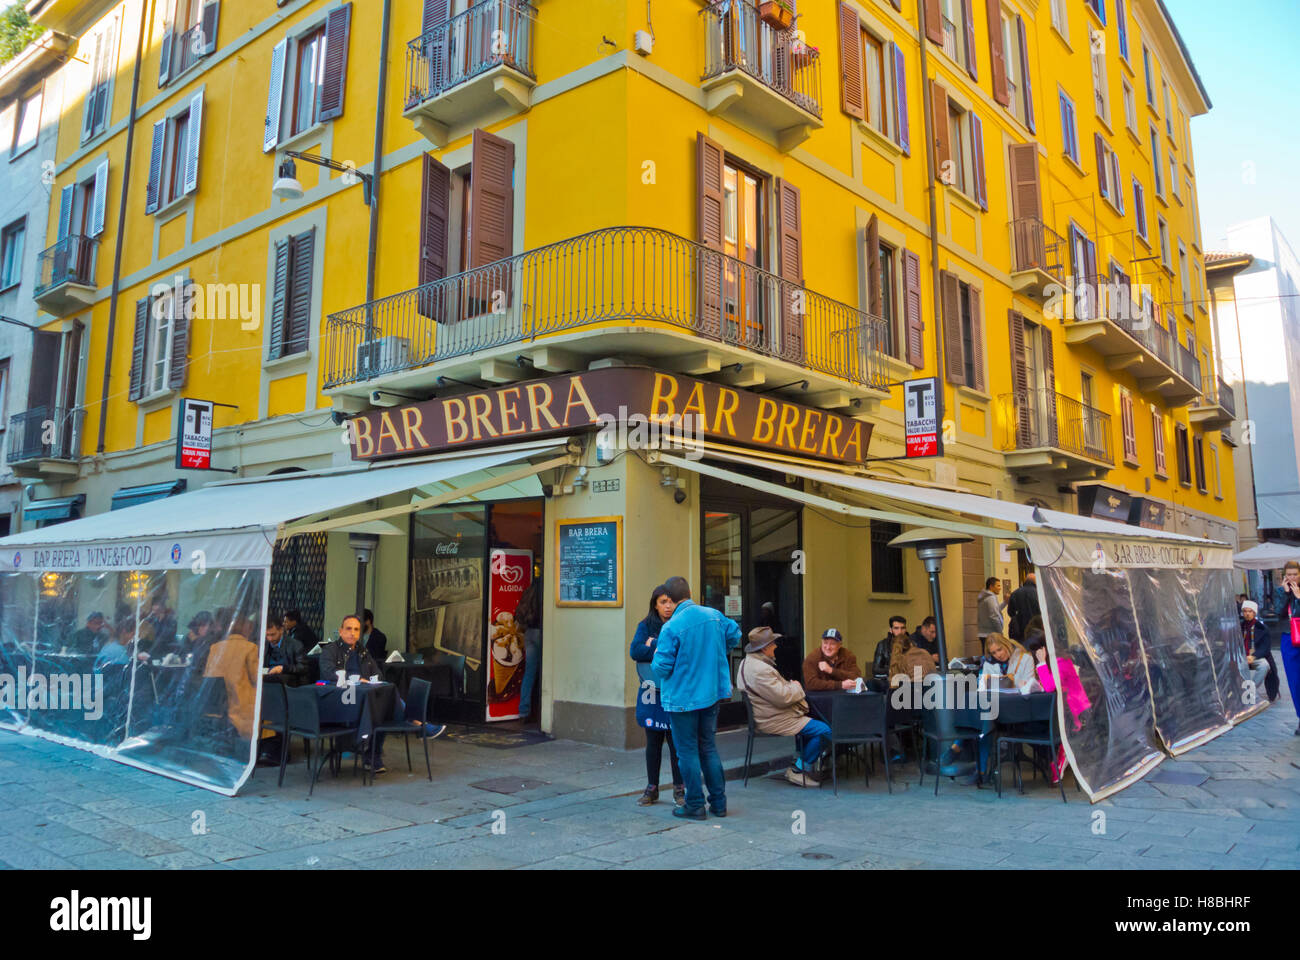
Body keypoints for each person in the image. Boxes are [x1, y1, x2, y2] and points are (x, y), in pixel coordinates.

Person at [651, 576, 742, 819]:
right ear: (690, 593)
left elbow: (660, 668)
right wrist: (717, 650)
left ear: (670, 598)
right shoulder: (713, 615)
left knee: (687, 752)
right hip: (711, 695)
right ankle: (719, 803)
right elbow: (735, 634)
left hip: (682, 699)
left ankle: (694, 804)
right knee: (709, 748)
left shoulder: (670, 627)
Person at [735, 625, 827, 788]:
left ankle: (799, 761)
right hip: (773, 719)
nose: (776, 646)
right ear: (764, 649)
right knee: (825, 731)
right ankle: (798, 769)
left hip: (767, 714)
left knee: (811, 723)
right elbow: (783, 697)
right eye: (772, 644)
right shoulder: (760, 670)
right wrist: (797, 686)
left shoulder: (746, 663)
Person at [629, 585, 685, 806]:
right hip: (651, 690)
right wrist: (662, 648)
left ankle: (679, 789)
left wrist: (653, 645)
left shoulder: (681, 624)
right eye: (663, 602)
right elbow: (635, 651)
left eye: (671, 601)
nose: (668, 606)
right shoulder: (645, 626)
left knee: (675, 742)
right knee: (652, 741)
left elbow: (683, 654)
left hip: (674, 690)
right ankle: (651, 788)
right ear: (655, 604)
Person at [1024, 631, 1091, 784]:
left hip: (1073, 712)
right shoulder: (1054, 661)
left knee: (1034, 727)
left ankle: (1059, 756)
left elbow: (1049, 687)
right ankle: (1056, 756)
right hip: (1062, 708)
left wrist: (1040, 663)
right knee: (1030, 727)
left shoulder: (1060, 661)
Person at [202, 619, 260, 741]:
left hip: (219, 701)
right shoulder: (251, 648)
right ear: (246, 629)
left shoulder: (215, 647)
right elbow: (256, 678)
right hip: (242, 701)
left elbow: (209, 674)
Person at [1271, 560, 1300, 734]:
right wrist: (1286, 595)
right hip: (1289, 638)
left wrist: (1298, 598)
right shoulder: (1280, 592)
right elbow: (1278, 613)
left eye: (1295, 574)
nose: (1292, 577)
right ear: (1284, 576)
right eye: (1288, 574)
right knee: (1294, 680)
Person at [515, 582, 542, 720]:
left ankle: (524, 711)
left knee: (529, 672)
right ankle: (541, 712)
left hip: (529, 632)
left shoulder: (529, 589)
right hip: (540, 632)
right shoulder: (546, 589)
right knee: (545, 672)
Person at [263, 616, 308, 684]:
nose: (270, 639)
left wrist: (283, 668)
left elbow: (303, 667)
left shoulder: (295, 645)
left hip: (288, 682)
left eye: (273, 635)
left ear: (281, 630)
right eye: (267, 635)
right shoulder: (264, 645)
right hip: (267, 679)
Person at [1005, 572, 1040, 642]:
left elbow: (1010, 612)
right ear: (1035, 582)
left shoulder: (1015, 593)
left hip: (1019, 631)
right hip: (1035, 630)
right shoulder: (1038, 594)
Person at [976, 578, 1004, 653]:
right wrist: (1000, 632)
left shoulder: (985, 597)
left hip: (983, 633)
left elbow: (995, 610)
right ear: (991, 587)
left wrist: (1005, 603)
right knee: (992, 657)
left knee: (986, 656)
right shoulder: (991, 598)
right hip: (991, 633)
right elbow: (994, 616)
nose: (1000, 588)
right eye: (998, 586)